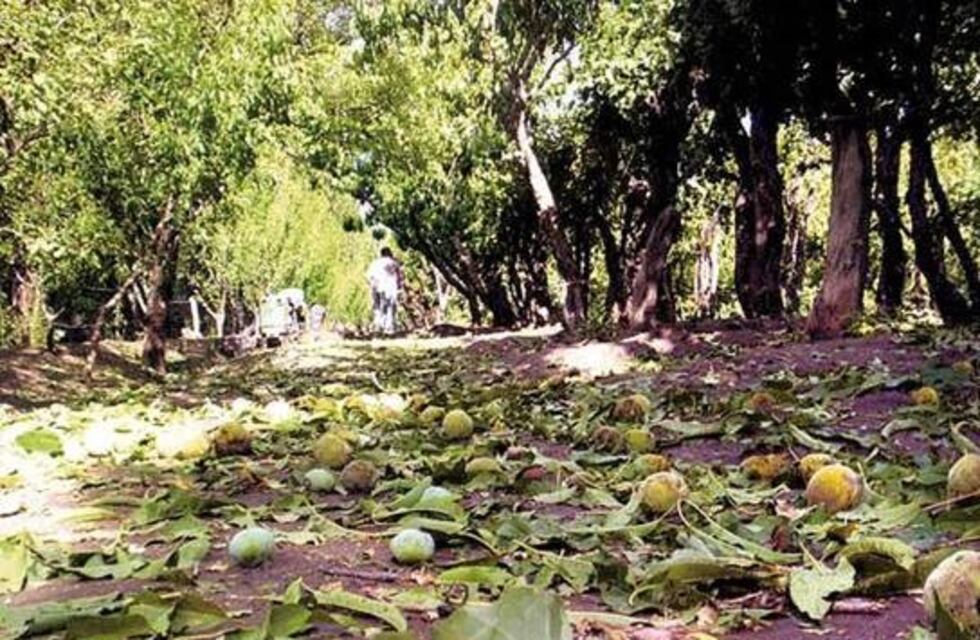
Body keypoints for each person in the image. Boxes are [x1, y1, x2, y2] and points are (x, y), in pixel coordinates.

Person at [366, 248, 403, 334]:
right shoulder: (392, 262)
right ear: (389, 253)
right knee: (389, 306)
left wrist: (372, 285)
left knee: (378, 307)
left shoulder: (374, 263)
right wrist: (400, 286)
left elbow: (368, 276)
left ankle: (378, 326)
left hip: (376, 286)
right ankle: (388, 327)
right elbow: (399, 276)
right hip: (389, 287)